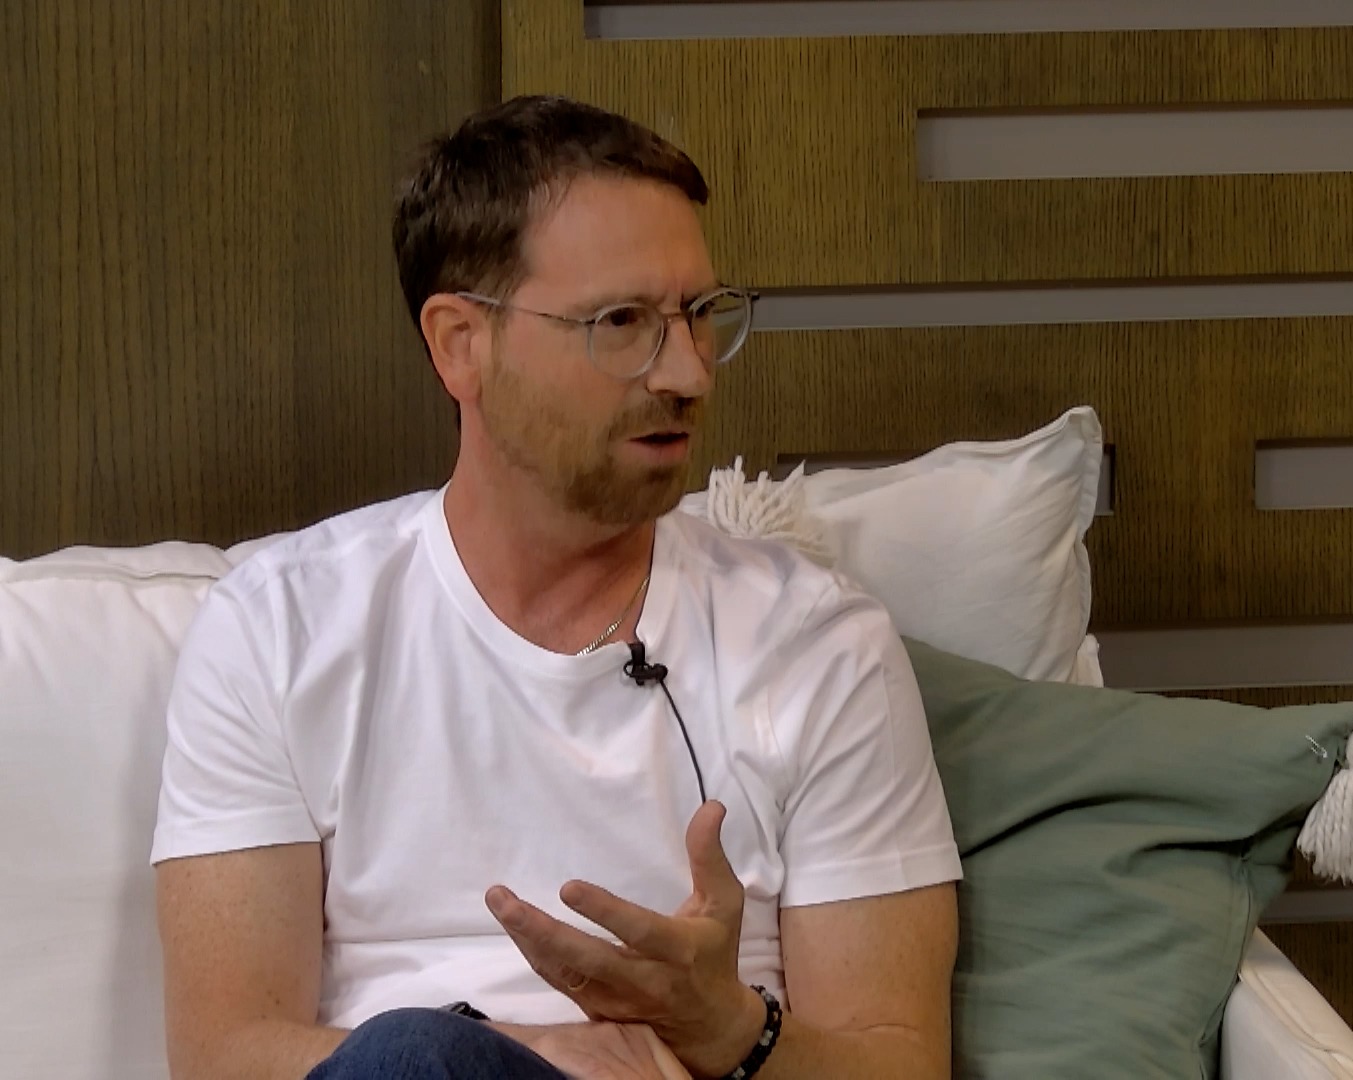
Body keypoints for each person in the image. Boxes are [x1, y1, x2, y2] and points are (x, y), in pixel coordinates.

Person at [151, 95, 962, 1080]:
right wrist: (532, 1053)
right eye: (623, 322)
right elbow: (225, 1056)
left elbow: (898, 1062)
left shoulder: (817, 645)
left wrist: (725, 1029)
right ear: (461, 343)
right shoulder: (278, 628)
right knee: (411, 1057)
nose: (688, 372)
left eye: (700, 316)